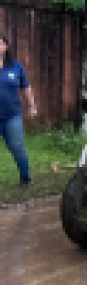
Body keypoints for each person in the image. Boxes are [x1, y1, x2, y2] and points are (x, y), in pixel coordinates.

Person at [0, 34, 37, 186]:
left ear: (6, 47)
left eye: (0, 43)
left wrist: (32, 106)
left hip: (12, 115)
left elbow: (26, 87)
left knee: (17, 146)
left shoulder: (16, 66)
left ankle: (25, 176)